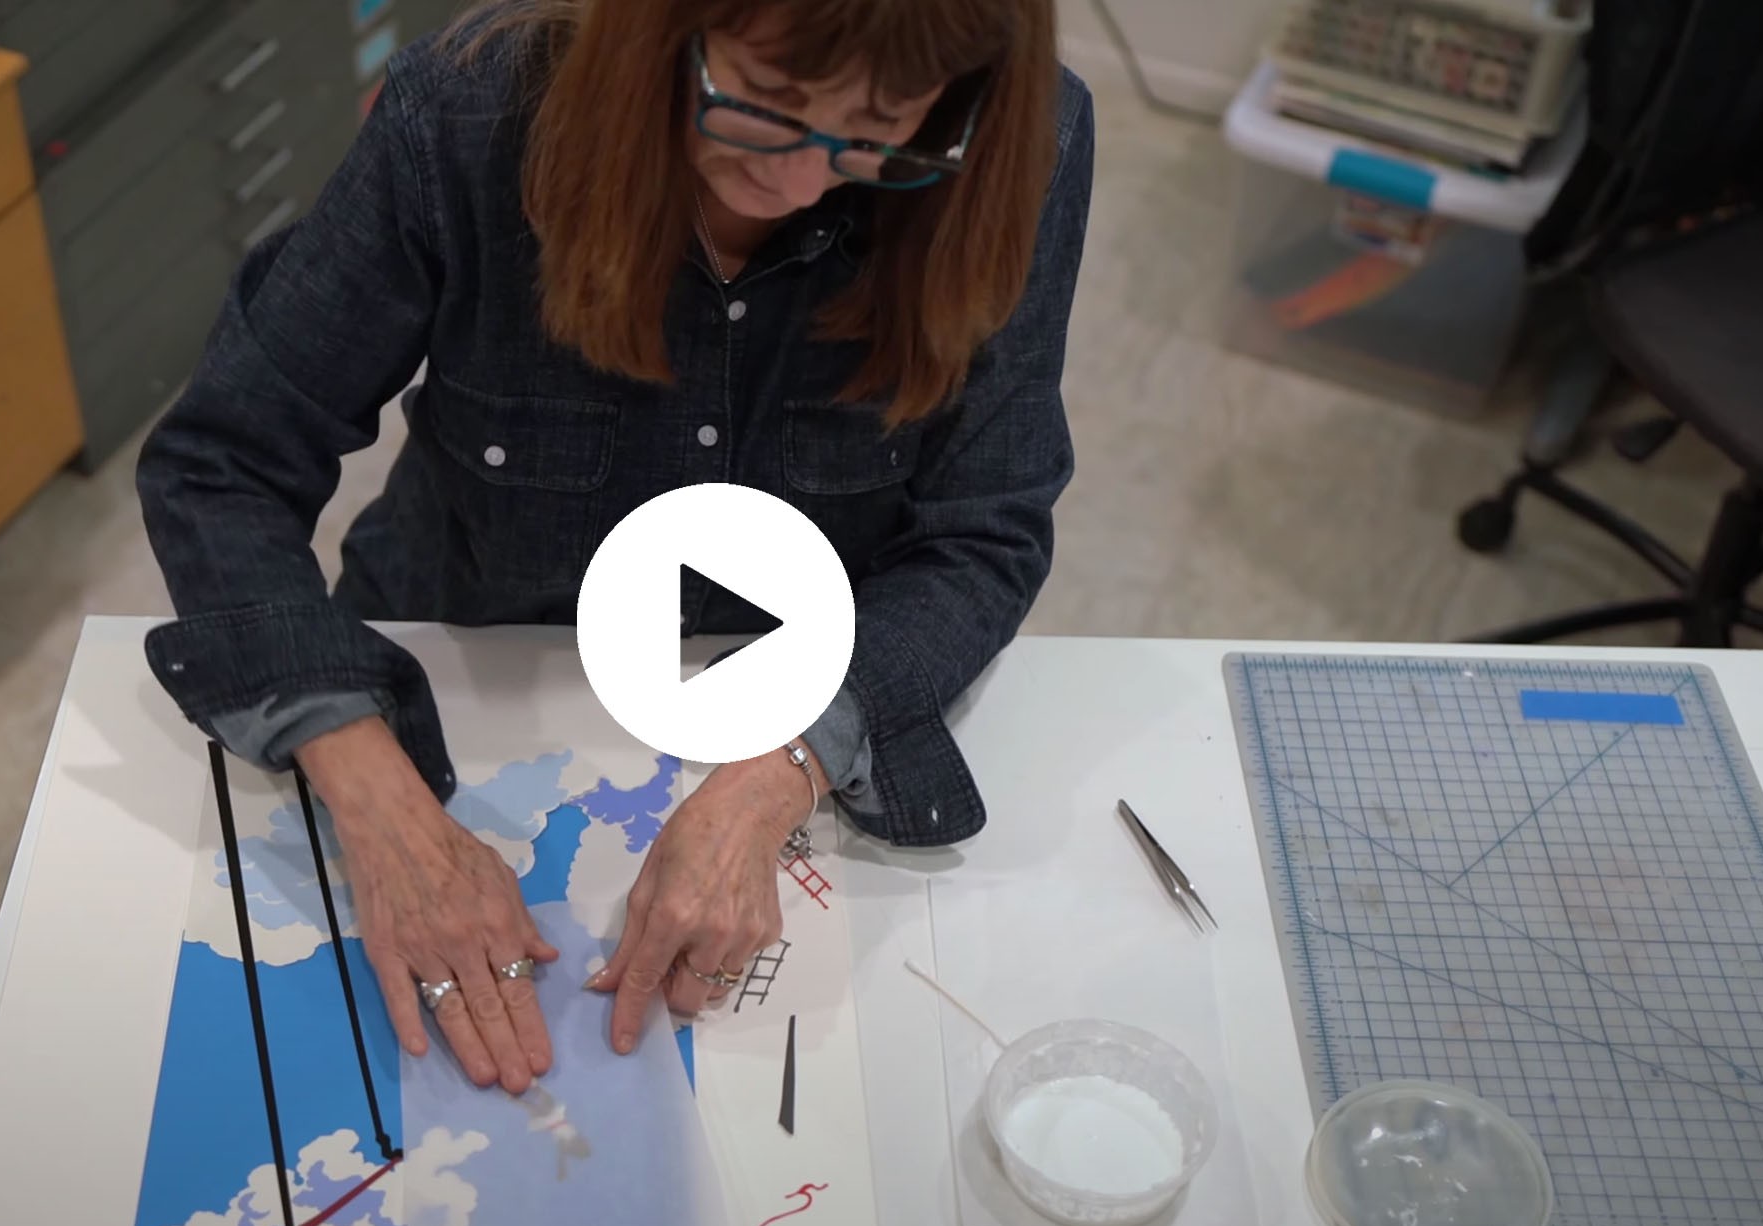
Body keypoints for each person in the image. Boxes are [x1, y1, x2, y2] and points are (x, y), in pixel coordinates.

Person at [137, 0, 1093, 1097]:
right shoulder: (463, 117)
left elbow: (984, 526)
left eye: (876, 136)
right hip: (467, 651)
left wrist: (779, 773)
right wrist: (378, 804)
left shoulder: (1015, 137)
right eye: (764, 105)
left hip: (802, 684)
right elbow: (223, 463)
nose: (797, 183)